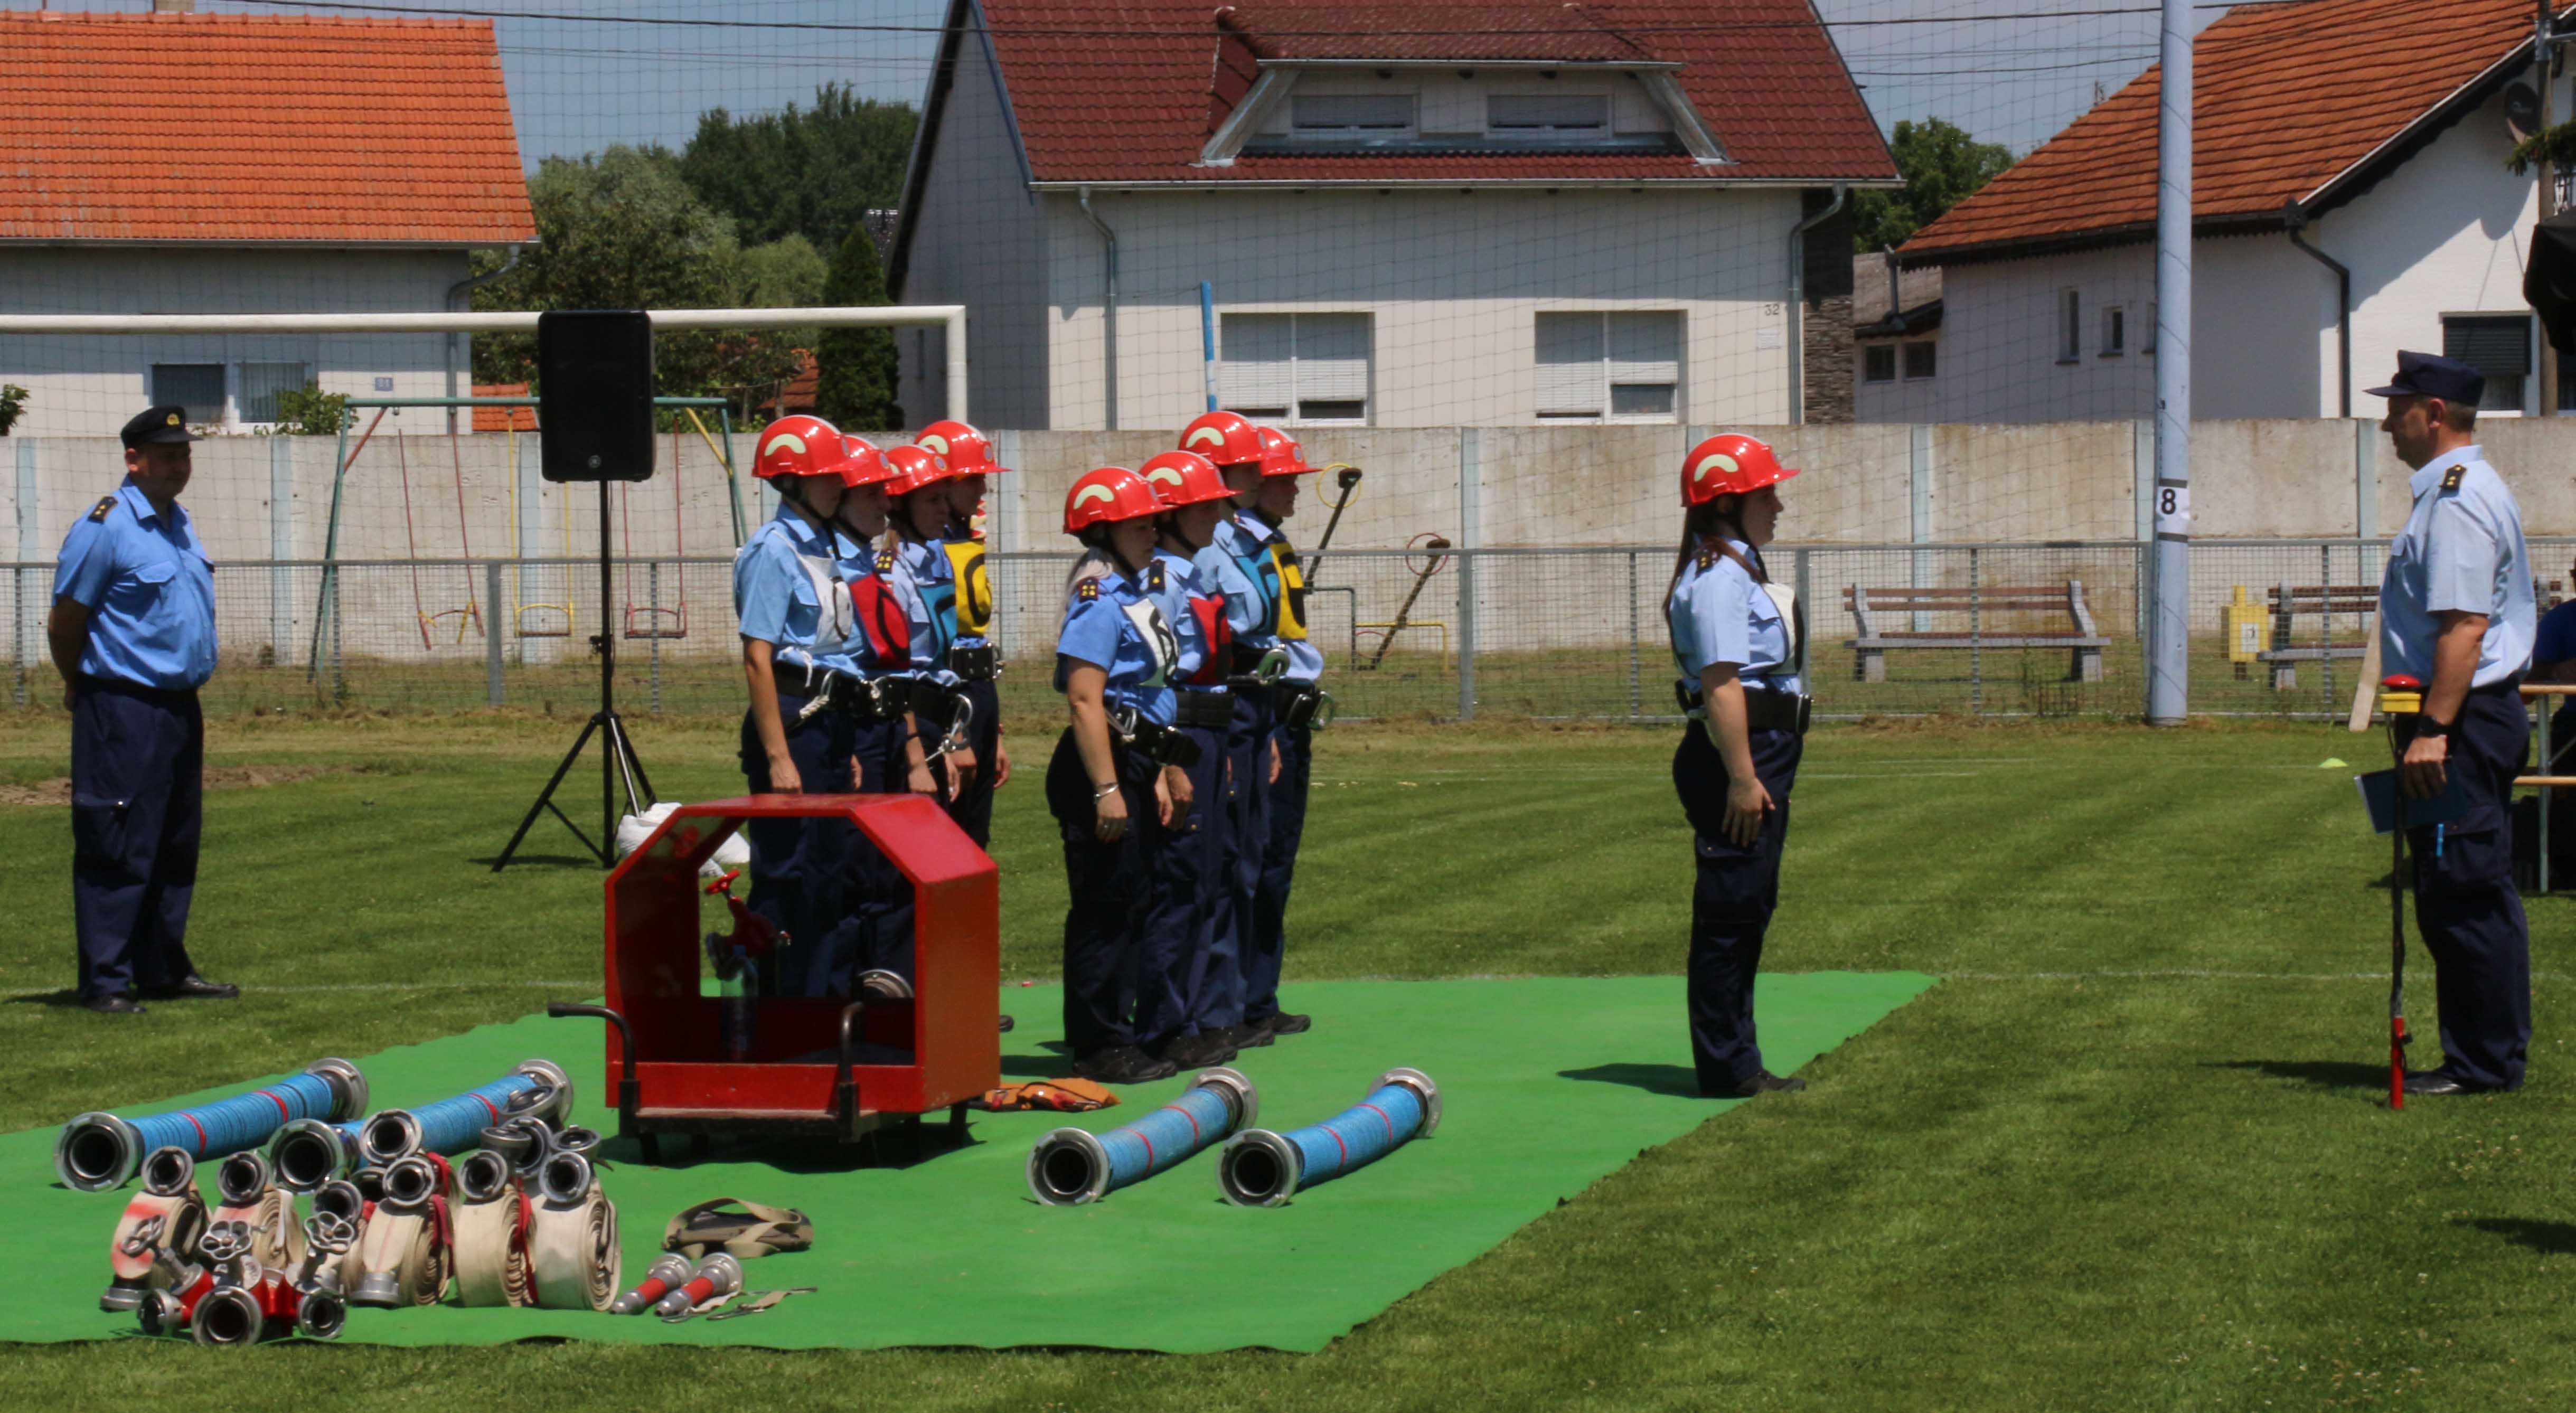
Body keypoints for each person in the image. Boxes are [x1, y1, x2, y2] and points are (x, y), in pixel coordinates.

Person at [2370, 351, 2536, 1096]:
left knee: (2464, 887)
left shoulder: (2459, 499)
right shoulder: (2449, 493)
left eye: (2397, 406)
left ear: (2431, 414)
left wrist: (2433, 729)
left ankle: (2483, 1063)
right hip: (2453, 717)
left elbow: (2464, 629)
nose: (2386, 422)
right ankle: (2477, 1055)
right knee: (2449, 887)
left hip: (2459, 720)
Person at [48, 404, 235, 1015]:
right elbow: (67, 619)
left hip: (179, 706)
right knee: (118, 839)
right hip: (123, 704)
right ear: (135, 459)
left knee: (176, 842)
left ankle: (161, 968)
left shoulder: (177, 522)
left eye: (185, 453)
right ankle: (105, 980)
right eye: (168, 453)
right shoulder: (105, 526)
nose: (180, 464)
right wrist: (79, 682)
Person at [1666, 432, 1810, 1099]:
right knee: (1731, 910)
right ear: (1727, 504)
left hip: (1757, 751)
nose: (1777, 504)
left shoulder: (1736, 567)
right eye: (1766, 493)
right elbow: (1723, 683)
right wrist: (1745, 777)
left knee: (1749, 904)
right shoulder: (1720, 577)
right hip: (1739, 757)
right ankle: (1729, 1067)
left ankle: (1738, 1056)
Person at [1049, 466, 1195, 1084]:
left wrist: (1162, 769)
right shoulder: (1099, 598)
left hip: (1135, 759)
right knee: (1105, 907)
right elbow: (1087, 699)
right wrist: (1108, 789)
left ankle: (1121, 1031)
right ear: (1104, 529)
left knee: (1135, 901)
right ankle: (1097, 1043)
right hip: (1098, 767)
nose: (1153, 532)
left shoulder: (1133, 591)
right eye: (1140, 524)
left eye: (1155, 521)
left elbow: (1147, 695)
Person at [734, 415, 871, 998]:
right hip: (795, 724)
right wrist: (778, 755)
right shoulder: (773, 550)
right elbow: (757, 659)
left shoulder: (823, 546)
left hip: (830, 723)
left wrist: (847, 739)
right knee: (788, 875)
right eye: (825, 477)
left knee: (829, 876)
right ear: (791, 482)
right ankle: (776, 1012)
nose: (838, 485)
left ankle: (825, 1009)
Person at [1181, 410, 1289, 1051]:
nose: (1257, 477)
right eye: (1245, 468)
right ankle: (1212, 1006)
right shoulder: (1201, 550)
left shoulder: (1243, 540)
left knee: (1248, 860)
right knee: (1215, 866)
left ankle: (1241, 1001)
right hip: (1217, 702)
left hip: (1254, 703)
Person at [1139, 449, 1243, 1068]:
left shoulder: (1193, 573)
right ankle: (1165, 1021)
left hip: (1210, 732)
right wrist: (1170, 756)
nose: (1218, 517)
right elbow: (1159, 677)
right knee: (1178, 883)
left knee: (1206, 879)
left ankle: (1196, 1013)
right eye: (1206, 507)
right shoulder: (1164, 581)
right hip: (1182, 735)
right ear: (1174, 515)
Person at [1238, 425, 1328, 1037]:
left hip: (1291, 706)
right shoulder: (1237, 543)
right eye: (1285, 478)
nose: (1295, 488)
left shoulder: (1269, 539)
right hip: (1265, 702)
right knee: (1255, 858)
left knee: (1278, 858)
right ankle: (1240, 998)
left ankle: (1259, 996)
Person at [914, 420, 1012, 846]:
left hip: (979, 692)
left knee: (977, 836)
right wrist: (956, 733)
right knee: (945, 835)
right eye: (973, 479)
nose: (983, 491)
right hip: (949, 700)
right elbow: (926, 651)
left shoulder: (964, 540)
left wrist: (996, 729)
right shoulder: (917, 553)